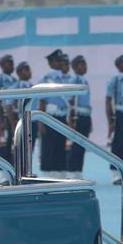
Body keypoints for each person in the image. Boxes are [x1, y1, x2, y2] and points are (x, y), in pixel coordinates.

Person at [37, 49, 70, 179]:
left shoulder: (66, 78)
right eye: (57, 61)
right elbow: (42, 101)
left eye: (61, 60)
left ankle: (60, 173)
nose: (60, 63)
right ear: (50, 63)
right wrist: (41, 121)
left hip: (63, 116)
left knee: (60, 145)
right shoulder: (46, 79)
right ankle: (47, 174)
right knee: (48, 146)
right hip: (50, 116)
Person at [65, 55, 92, 180]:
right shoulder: (73, 80)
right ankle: (71, 171)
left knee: (82, 145)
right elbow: (70, 101)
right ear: (75, 67)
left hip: (85, 114)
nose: (85, 67)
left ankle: (78, 171)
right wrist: (71, 120)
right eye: (82, 64)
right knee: (74, 145)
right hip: (76, 116)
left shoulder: (84, 80)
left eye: (85, 64)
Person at [107, 54, 123, 184]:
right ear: (117, 66)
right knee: (118, 144)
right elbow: (108, 100)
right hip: (119, 114)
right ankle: (115, 173)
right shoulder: (115, 80)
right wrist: (110, 119)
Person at [0, 54, 18, 162]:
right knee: (4, 144)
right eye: (9, 63)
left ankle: (14, 170)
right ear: (2, 65)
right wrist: (0, 120)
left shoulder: (15, 80)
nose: (12, 65)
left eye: (12, 63)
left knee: (14, 143)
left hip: (15, 115)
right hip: (5, 116)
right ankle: (2, 174)